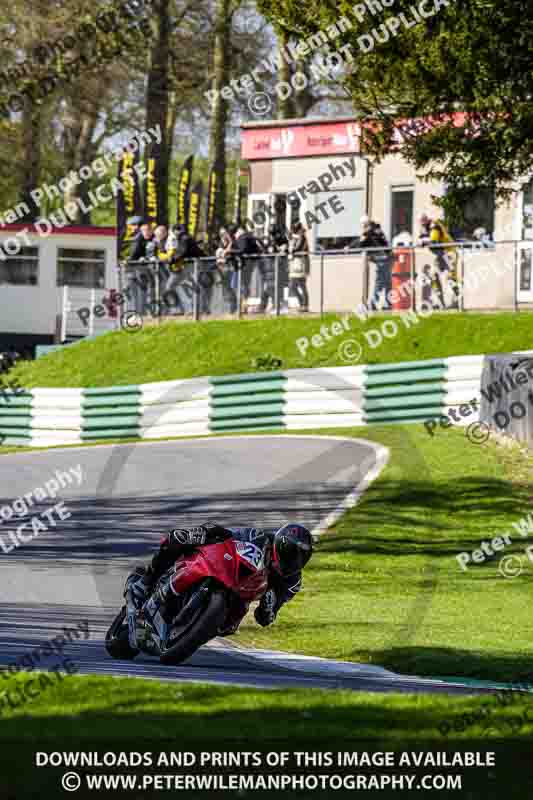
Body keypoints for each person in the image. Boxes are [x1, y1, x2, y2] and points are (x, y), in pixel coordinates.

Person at [127, 522, 313, 636]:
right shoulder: (262, 539)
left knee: (227, 627)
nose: (293, 560)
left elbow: (264, 619)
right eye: (290, 553)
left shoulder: (291, 581)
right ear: (280, 544)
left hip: (238, 597)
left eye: (300, 557)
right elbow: (228, 535)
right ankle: (146, 582)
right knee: (178, 538)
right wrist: (203, 534)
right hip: (226, 570)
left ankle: (188, 630)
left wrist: (269, 608)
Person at [417, 212, 459, 309]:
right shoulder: (424, 227)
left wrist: (423, 241)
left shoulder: (434, 225)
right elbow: (420, 238)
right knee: (433, 275)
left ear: (426, 219)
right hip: (440, 254)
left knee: (450, 278)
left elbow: (433, 240)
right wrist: (422, 240)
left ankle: (457, 301)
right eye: (421, 223)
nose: (422, 224)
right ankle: (441, 303)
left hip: (449, 252)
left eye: (423, 222)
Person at [360, 216, 392, 311]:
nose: (364, 227)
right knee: (386, 282)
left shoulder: (372, 232)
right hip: (384, 257)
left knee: (380, 282)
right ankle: (388, 303)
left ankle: (374, 303)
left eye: (364, 225)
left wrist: (350, 246)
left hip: (382, 258)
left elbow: (362, 243)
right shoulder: (376, 230)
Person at [126, 221, 154, 315]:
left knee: (143, 291)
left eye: (148, 230)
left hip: (143, 270)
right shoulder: (138, 240)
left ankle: (142, 312)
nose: (147, 232)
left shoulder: (154, 239)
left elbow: (154, 252)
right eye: (144, 231)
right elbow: (133, 254)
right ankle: (136, 312)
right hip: (134, 270)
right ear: (141, 231)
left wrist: (145, 258)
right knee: (134, 293)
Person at [288, 222, 310, 312]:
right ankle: (302, 303)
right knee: (292, 286)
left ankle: (305, 305)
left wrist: (291, 248)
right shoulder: (294, 238)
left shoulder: (302, 237)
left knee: (302, 285)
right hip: (294, 264)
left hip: (301, 263)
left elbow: (297, 248)